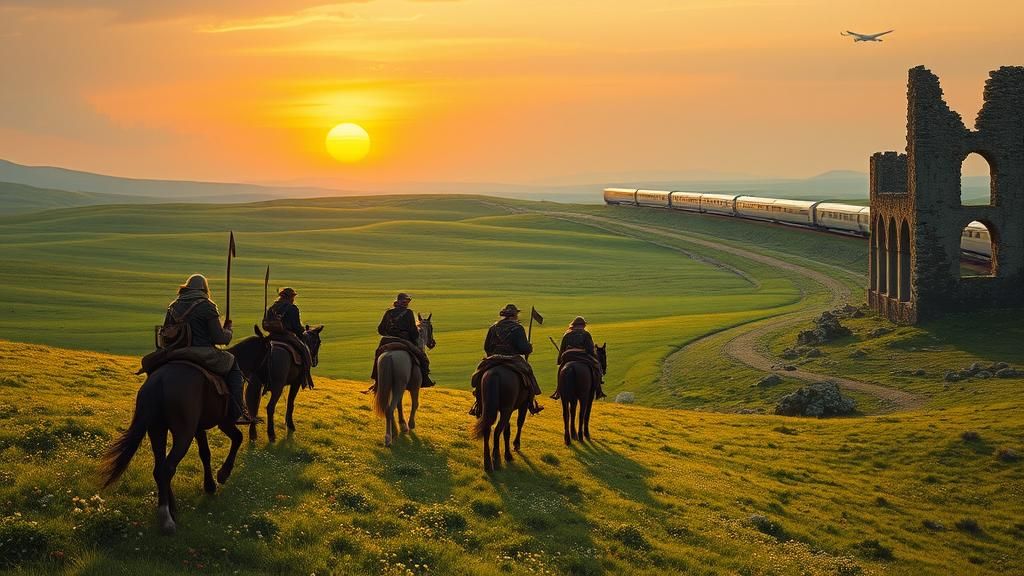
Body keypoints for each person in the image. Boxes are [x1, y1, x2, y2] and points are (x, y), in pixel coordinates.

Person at [161, 274, 254, 424]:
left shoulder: (173, 306)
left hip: (176, 352)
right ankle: (237, 412)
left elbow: (165, 331)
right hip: (202, 352)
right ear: (204, 288)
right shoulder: (207, 306)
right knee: (233, 365)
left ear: (187, 287)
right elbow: (219, 338)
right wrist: (228, 331)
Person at [469, 304, 543, 416]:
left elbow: (487, 347)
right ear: (515, 315)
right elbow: (523, 348)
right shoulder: (518, 328)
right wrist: (529, 347)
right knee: (528, 372)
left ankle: (478, 403)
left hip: (494, 357)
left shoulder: (493, 328)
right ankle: (531, 402)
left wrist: (491, 357)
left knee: (479, 375)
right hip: (513, 358)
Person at [372, 293, 433, 387]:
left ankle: (376, 381)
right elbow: (413, 331)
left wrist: (389, 334)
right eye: (406, 301)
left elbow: (380, 329)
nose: (406, 303)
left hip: (387, 340)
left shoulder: (388, 313)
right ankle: (425, 380)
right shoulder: (408, 313)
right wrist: (414, 337)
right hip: (404, 340)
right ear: (401, 302)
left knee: (378, 355)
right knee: (423, 358)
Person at [264, 287, 315, 389]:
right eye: (293, 297)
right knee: (304, 350)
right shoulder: (292, 308)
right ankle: (305, 376)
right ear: (291, 297)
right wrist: (302, 331)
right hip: (286, 335)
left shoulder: (272, 308)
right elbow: (296, 327)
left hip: (272, 335)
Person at [552, 316, 606, 400]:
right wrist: (595, 359)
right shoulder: (586, 334)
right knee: (597, 367)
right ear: (583, 325)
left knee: (561, 370)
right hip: (583, 356)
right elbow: (590, 350)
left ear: (573, 325)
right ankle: (599, 391)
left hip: (568, 356)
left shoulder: (567, 334)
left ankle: (558, 390)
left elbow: (562, 349)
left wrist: (560, 360)